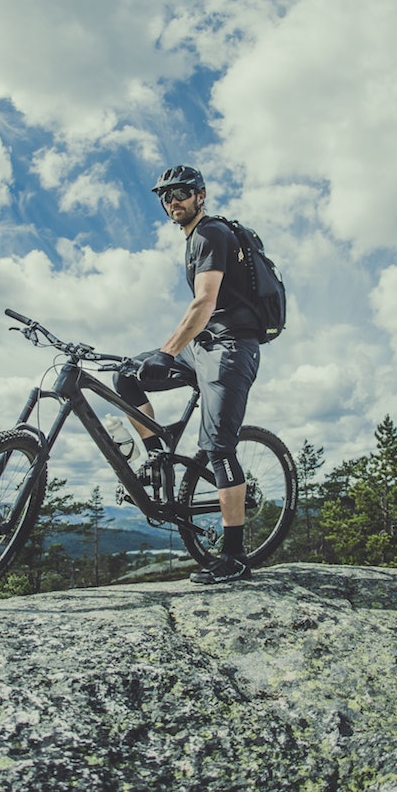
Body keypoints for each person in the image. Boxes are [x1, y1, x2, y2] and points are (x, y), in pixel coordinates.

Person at [114, 165, 262, 584]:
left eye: (181, 192)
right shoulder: (193, 240)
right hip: (205, 347)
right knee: (126, 376)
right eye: (165, 196)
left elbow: (204, 303)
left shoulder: (211, 234)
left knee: (218, 448)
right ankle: (158, 453)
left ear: (201, 194)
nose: (172, 200)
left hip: (231, 347)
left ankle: (234, 557)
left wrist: (166, 351)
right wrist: (164, 355)